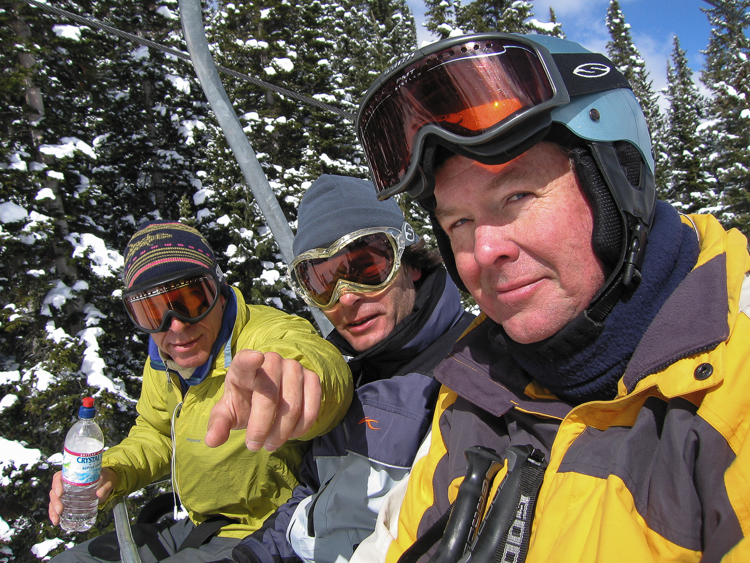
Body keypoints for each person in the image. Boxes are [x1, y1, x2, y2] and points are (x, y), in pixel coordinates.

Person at [349, 32, 750, 562]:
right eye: (459, 222)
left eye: (517, 196)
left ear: (618, 183)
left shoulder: (730, 378)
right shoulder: (475, 387)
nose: (483, 250)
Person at [48, 220, 353, 562]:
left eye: (191, 301)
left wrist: (293, 380)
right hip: (197, 525)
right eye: (152, 312)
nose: (176, 326)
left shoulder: (262, 337)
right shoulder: (163, 361)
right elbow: (159, 434)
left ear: (220, 293)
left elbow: (314, 364)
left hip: (267, 530)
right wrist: (113, 470)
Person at [228, 175, 474, 563]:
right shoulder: (349, 377)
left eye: (367, 267)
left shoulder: (475, 370)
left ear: (409, 263)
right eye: (322, 281)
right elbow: (311, 499)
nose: (345, 297)